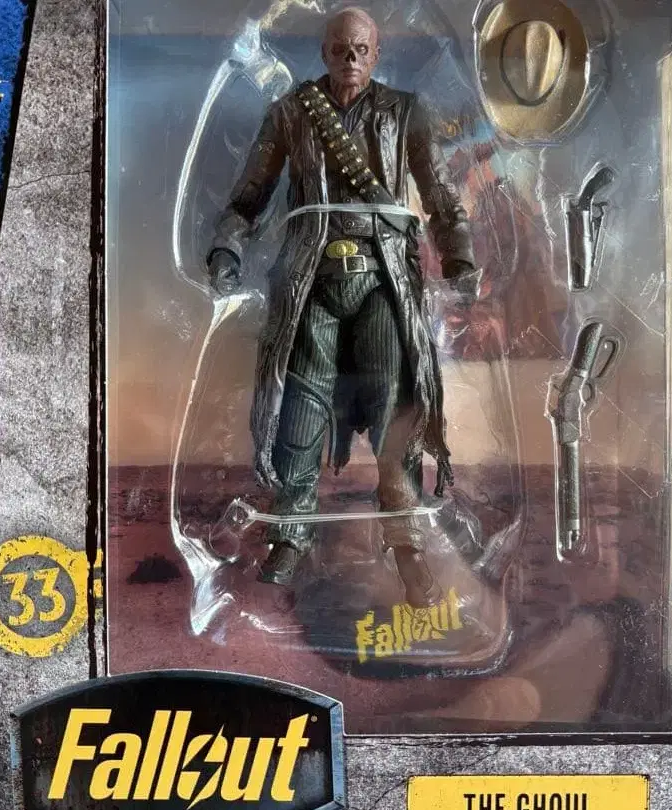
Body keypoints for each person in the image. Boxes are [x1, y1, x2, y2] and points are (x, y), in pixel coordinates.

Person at [206, 7, 480, 607]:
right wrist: (227, 247)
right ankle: (291, 530)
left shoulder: (406, 112)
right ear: (324, 51)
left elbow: (440, 195)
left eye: (361, 49)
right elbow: (250, 193)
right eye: (339, 48)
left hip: (384, 280)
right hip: (312, 278)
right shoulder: (291, 112)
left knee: (394, 406)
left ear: (376, 54)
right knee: (300, 405)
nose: (350, 58)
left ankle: (406, 542)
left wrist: (459, 257)